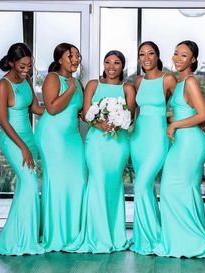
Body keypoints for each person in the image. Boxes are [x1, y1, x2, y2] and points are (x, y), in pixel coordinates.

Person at [154, 40, 205, 258]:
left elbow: (203, 115)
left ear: (193, 60)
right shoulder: (181, 82)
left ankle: (192, 243)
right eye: (176, 53)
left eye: (184, 55)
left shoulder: (190, 81)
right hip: (183, 141)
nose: (177, 58)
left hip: (190, 143)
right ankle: (181, 240)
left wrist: (173, 124)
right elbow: (190, 113)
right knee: (176, 190)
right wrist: (173, 119)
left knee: (175, 189)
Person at [71, 50, 135, 253]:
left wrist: (117, 124)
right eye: (107, 62)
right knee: (97, 182)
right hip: (96, 143)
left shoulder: (128, 88)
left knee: (113, 186)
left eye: (116, 62)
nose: (111, 66)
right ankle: (96, 237)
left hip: (118, 144)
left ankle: (114, 236)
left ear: (122, 66)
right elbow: (84, 113)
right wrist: (99, 124)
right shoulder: (93, 85)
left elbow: (130, 117)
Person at [0, 43, 44, 255]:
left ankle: (18, 236)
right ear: (11, 62)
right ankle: (24, 241)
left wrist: (60, 108)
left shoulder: (27, 80)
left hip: (29, 138)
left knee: (25, 189)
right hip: (12, 140)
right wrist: (23, 149)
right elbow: (2, 120)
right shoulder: (3, 85)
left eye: (29, 65)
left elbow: (36, 108)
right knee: (29, 185)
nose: (26, 69)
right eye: (22, 66)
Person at [34, 43, 87, 252]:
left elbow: (80, 111)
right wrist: (71, 88)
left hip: (73, 137)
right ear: (59, 60)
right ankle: (56, 235)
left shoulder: (79, 82)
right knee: (57, 182)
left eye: (77, 56)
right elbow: (52, 107)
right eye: (70, 56)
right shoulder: (53, 78)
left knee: (78, 180)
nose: (75, 60)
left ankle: (73, 233)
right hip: (52, 136)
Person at [129, 41, 176, 255]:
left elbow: (179, 106)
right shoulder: (138, 81)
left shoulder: (168, 79)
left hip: (158, 137)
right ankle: (144, 237)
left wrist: (176, 128)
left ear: (157, 56)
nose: (146, 57)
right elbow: (134, 111)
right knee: (145, 188)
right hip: (138, 138)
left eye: (150, 53)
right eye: (141, 54)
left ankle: (155, 236)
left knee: (141, 184)